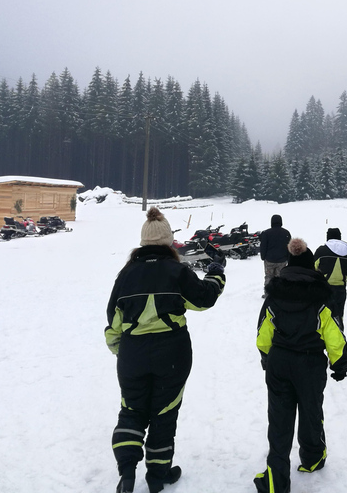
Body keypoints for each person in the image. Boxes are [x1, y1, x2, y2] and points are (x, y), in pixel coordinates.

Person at [105, 207, 226, 493]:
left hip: (133, 354)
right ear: (169, 242)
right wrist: (217, 272)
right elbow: (204, 299)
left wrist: (121, 351)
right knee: (164, 413)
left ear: (143, 242)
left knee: (131, 410)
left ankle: (127, 472)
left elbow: (113, 322)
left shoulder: (125, 275)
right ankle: (157, 477)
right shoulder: (177, 271)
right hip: (172, 354)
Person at [254, 238, 347, 493]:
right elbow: (334, 333)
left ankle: (275, 478)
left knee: (279, 419)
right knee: (311, 411)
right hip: (310, 363)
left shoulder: (275, 293)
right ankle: (313, 457)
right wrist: (340, 363)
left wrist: (267, 357)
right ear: (312, 267)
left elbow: (263, 331)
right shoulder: (321, 296)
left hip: (280, 362)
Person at [313, 227, 347, 327]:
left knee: (321, 316)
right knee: (338, 316)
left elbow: (313, 268)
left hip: (323, 288)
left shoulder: (321, 251)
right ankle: (339, 338)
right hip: (340, 289)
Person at [259, 214, 292, 297]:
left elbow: (263, 246)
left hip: (269, 260)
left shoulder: (266, 233)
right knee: (280, 277)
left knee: (269, 276)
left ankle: (267, 293)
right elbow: (289, 247)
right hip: (282, 260)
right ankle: (279, 293)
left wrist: (263, 257)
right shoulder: (286, 233)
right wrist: (288, 258)